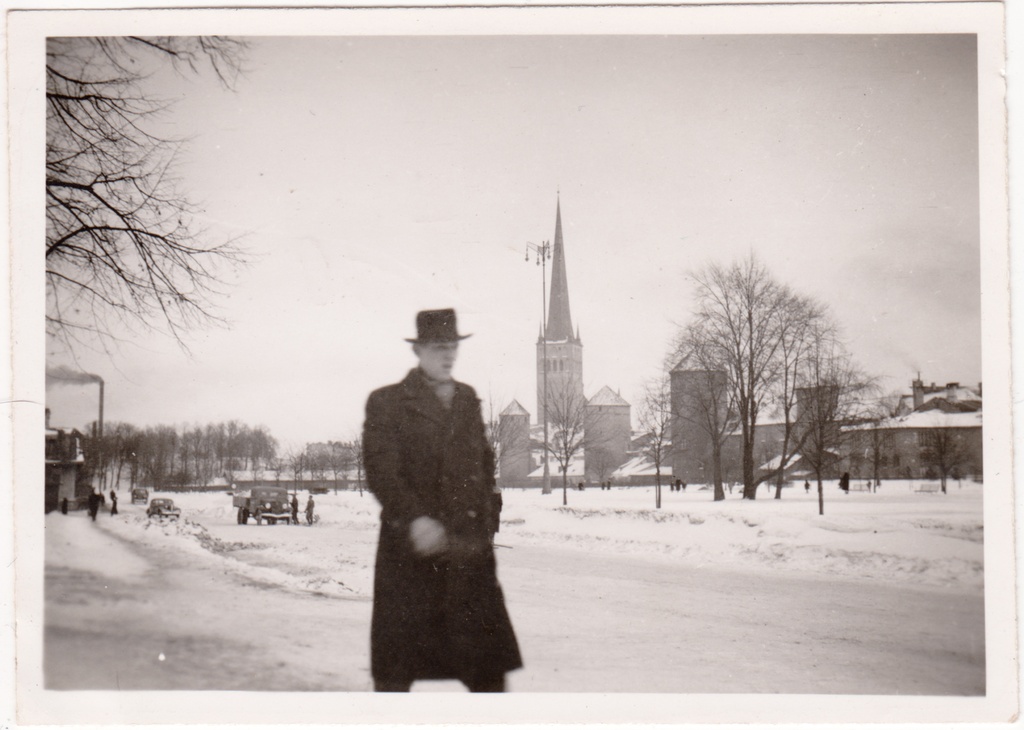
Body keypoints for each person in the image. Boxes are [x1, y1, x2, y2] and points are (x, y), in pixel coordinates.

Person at [362, 309, 522, 693]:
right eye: (438, 348)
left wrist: (483, 527)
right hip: (411, 553)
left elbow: (483, 468)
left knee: (487, 672)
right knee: (397, 672)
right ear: (418, 350)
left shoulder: (467, 399)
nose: (447, 355)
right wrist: (415, 519)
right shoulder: (387, 402)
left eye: (452, 347)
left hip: (468, 555)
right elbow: (382, 469)